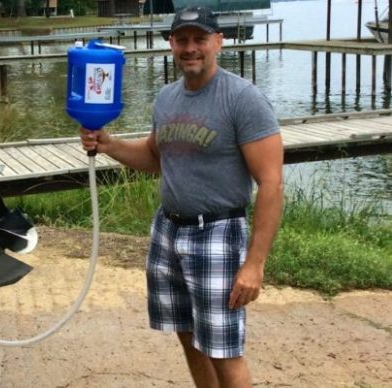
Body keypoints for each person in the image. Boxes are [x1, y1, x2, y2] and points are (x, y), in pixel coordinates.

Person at [80, 6, 284, 387]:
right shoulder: (166, 99)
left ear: (218, 43)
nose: (191, 48)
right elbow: (156, 158)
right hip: (168, 231)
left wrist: (254, 264)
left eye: (200, 39)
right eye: (183, 39)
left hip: (218, 234)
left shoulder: (243, 99)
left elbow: (271, 183)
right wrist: (109, 146)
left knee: (224, 350)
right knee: (188, 337)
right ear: (172, 44)